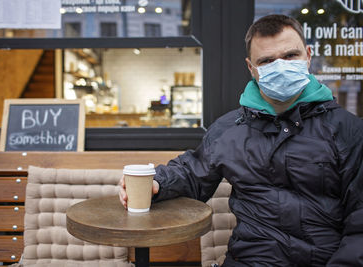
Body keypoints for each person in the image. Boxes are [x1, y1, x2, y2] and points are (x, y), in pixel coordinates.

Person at [119, 14, 363, 266]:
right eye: (267, 61)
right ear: (251, 67)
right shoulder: (229, 129)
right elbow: (193, 174)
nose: (280, 66)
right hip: (251, 259)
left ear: (308, 56)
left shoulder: (348, 131)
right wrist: (157, 183)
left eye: (290, 56)